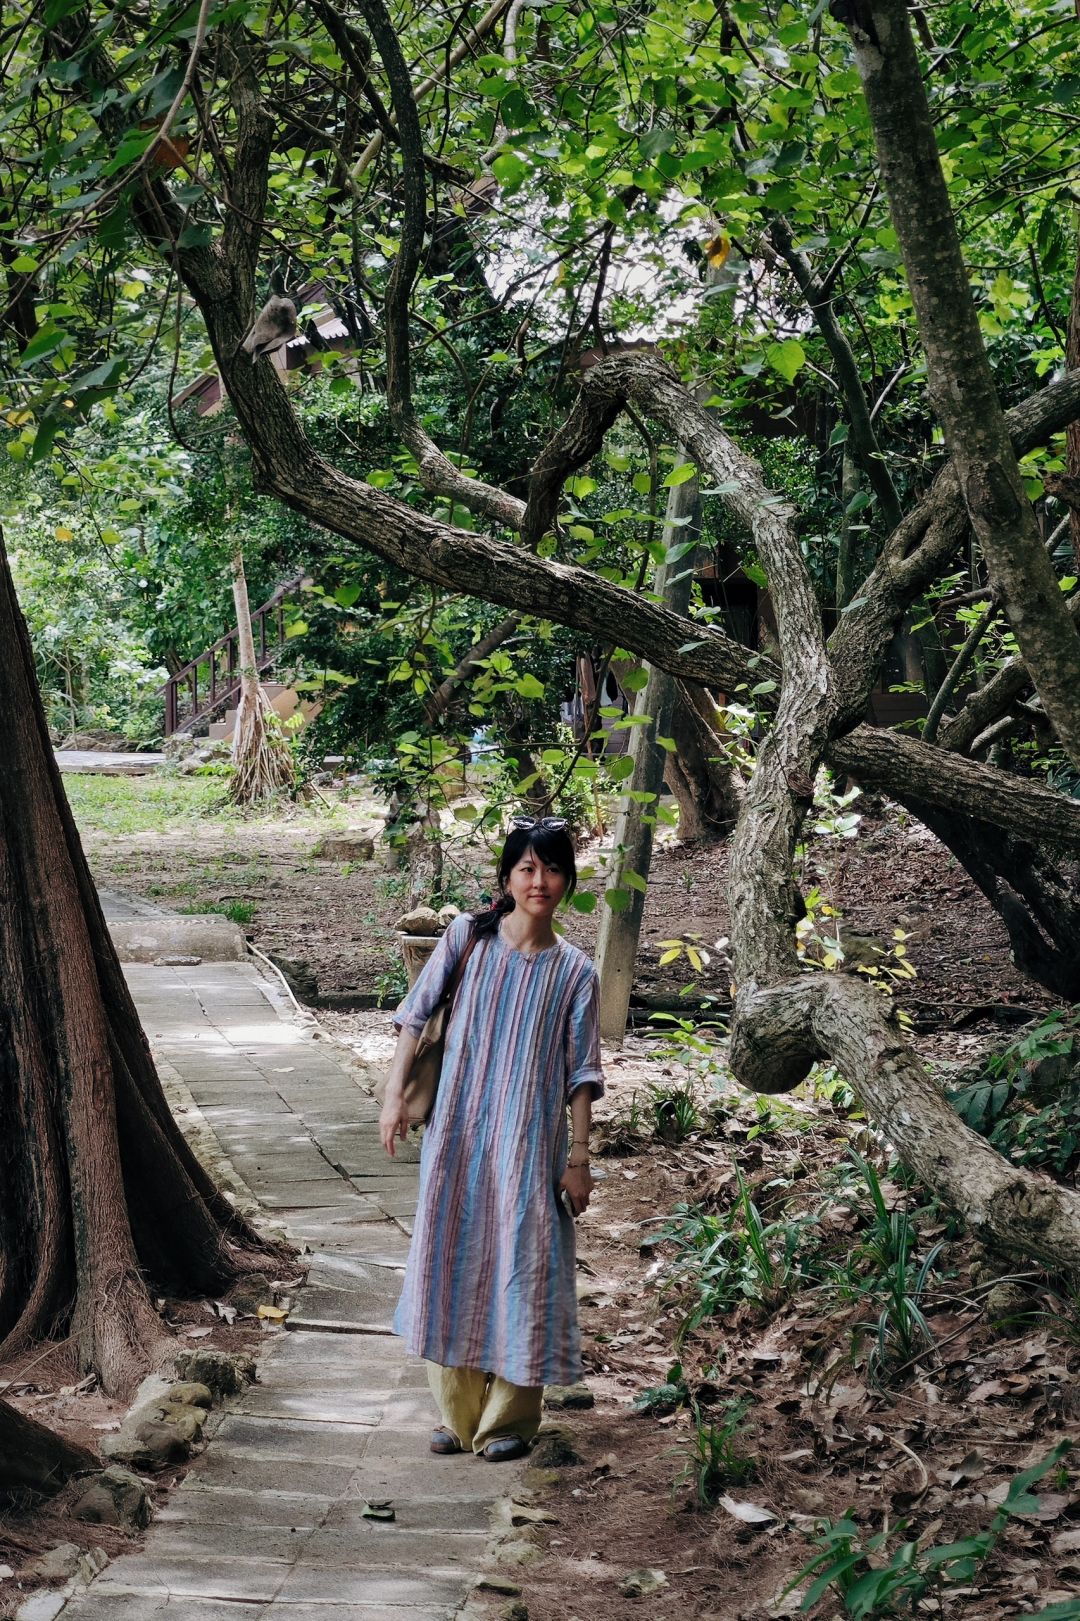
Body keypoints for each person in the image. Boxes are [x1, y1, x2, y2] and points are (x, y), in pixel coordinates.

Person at [379, 817, 603, 1462]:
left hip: (530, 1146)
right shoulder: (466, 939)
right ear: (507, 876)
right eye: (528, 868)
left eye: (553, 869)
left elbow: (582, 1073)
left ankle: (508, 1421)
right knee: (451, 1256)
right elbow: (414, 1018)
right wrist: (394, 1098)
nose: (540, 881)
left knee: (523, 1267)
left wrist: (578, 1160)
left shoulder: (575, 973)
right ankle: (456, 1416)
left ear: (567, 881)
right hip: (457, 1136)